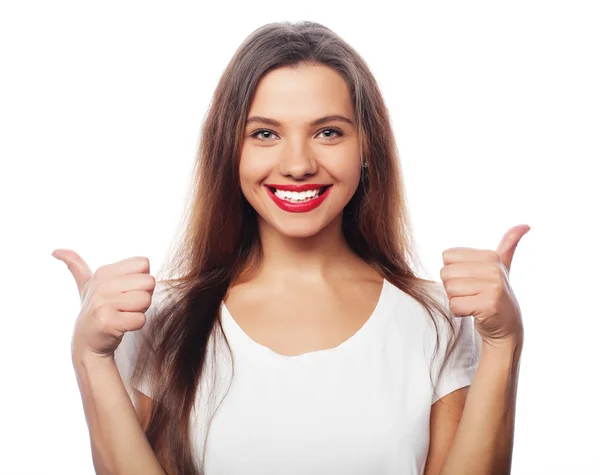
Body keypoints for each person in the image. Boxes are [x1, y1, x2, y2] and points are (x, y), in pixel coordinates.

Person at [54, 21, 485, 475]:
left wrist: (504, 343)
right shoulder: (162, 318)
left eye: (328, 132)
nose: (297, 165)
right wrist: (90, 357)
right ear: (228, 151)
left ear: (367, 148)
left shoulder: (437, 319)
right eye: (264, 134)